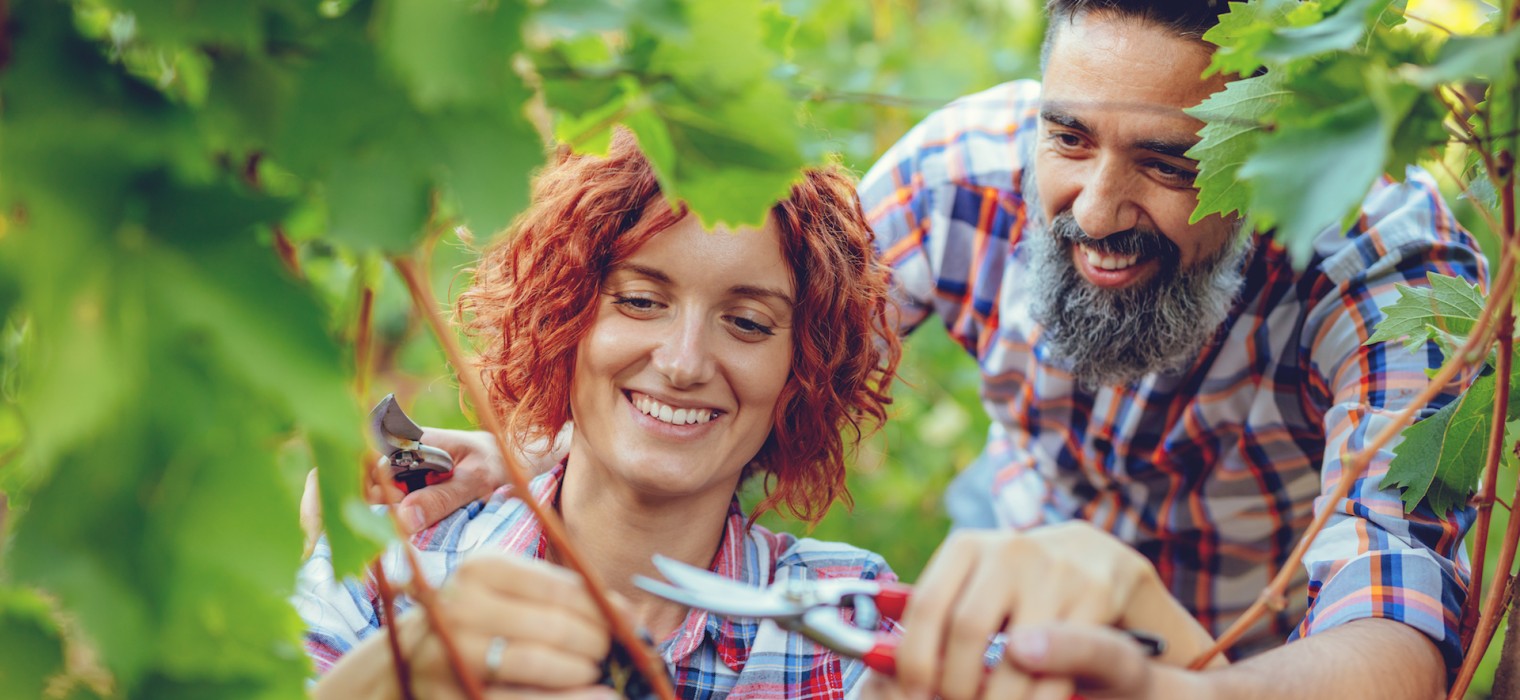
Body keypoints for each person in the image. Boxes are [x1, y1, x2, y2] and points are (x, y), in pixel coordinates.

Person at [326, 2, 1485, 698]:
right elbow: (737, 331)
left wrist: (1155, 679)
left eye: (1169, 163)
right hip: (1014, 551)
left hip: (1266, 654)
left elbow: (1388, 653)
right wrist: (546, 460)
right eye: (1067, 137)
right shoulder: (959, 173)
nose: (1091, 206)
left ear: (1270, 142)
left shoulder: (1389, 274)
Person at [294, 131, 912, 698]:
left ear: (801, 371)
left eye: (747, 323)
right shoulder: (389, 570)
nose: (683, 362)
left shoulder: (854, 627)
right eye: (641, 301)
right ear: (563, 318)